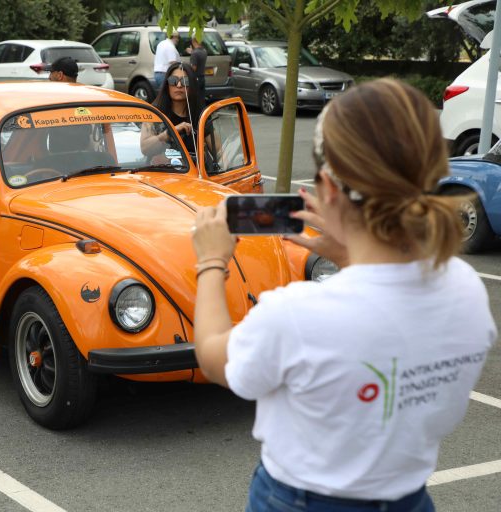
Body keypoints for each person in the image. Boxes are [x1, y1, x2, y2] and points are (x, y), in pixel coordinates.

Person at [191, 79, 496, 511]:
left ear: (328, 189)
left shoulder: (300, 313)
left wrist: (211, 261)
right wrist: (351, 255)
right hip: (409, 499)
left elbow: (212, 356)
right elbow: (384, 307)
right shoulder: (464, 288)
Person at [141, 61, 203, 159]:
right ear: (167, 85)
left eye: (185, 81)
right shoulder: (155, 112)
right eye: (173, 80)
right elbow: (145, 148)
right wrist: (170, 133)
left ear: (192, 86)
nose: (179, 85)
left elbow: (219, 150)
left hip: (194, 172)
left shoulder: (200, 115)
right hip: (161, 172)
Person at [188, 37, 208, 103]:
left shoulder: (194, 53)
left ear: (194, 42)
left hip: (196, 78)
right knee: (201, 97)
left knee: (194, 98)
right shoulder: (204, 51)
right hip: (202, 77)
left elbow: (193, 68)